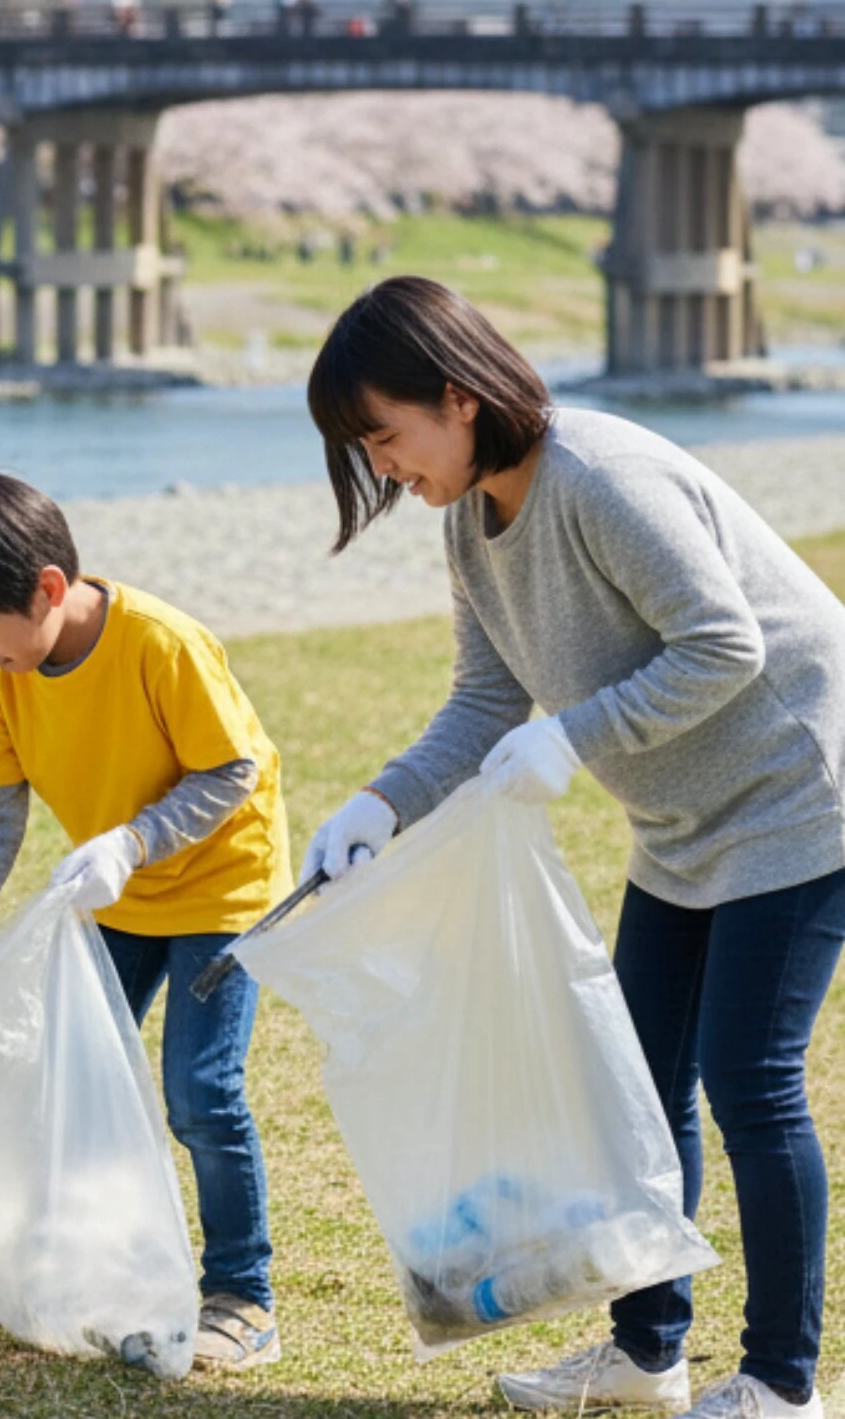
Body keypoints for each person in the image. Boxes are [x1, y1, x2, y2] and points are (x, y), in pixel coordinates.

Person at [301, 277, 845, 1419]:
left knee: (749, 1079)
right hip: (680, 823)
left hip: (801, 788)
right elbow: (485, 693)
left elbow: (722, 643)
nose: (385, 467)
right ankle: (647, 1353)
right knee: (635, 1089)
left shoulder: (599, 477)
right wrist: (377, 803)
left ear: (455, 398)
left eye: (386, 436)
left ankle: (782, 1381)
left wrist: (575, 734)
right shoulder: (469, 523)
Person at [0, 471, 288, 1373]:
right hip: (123, 894)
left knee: (199, 1088)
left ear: (48, 590)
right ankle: (70, 1275)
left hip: (222, 889)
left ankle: (242, 1295)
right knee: (62, 1074)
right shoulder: (7, 673)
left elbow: (231, 772)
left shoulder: (159, 643)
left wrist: (131, 842)